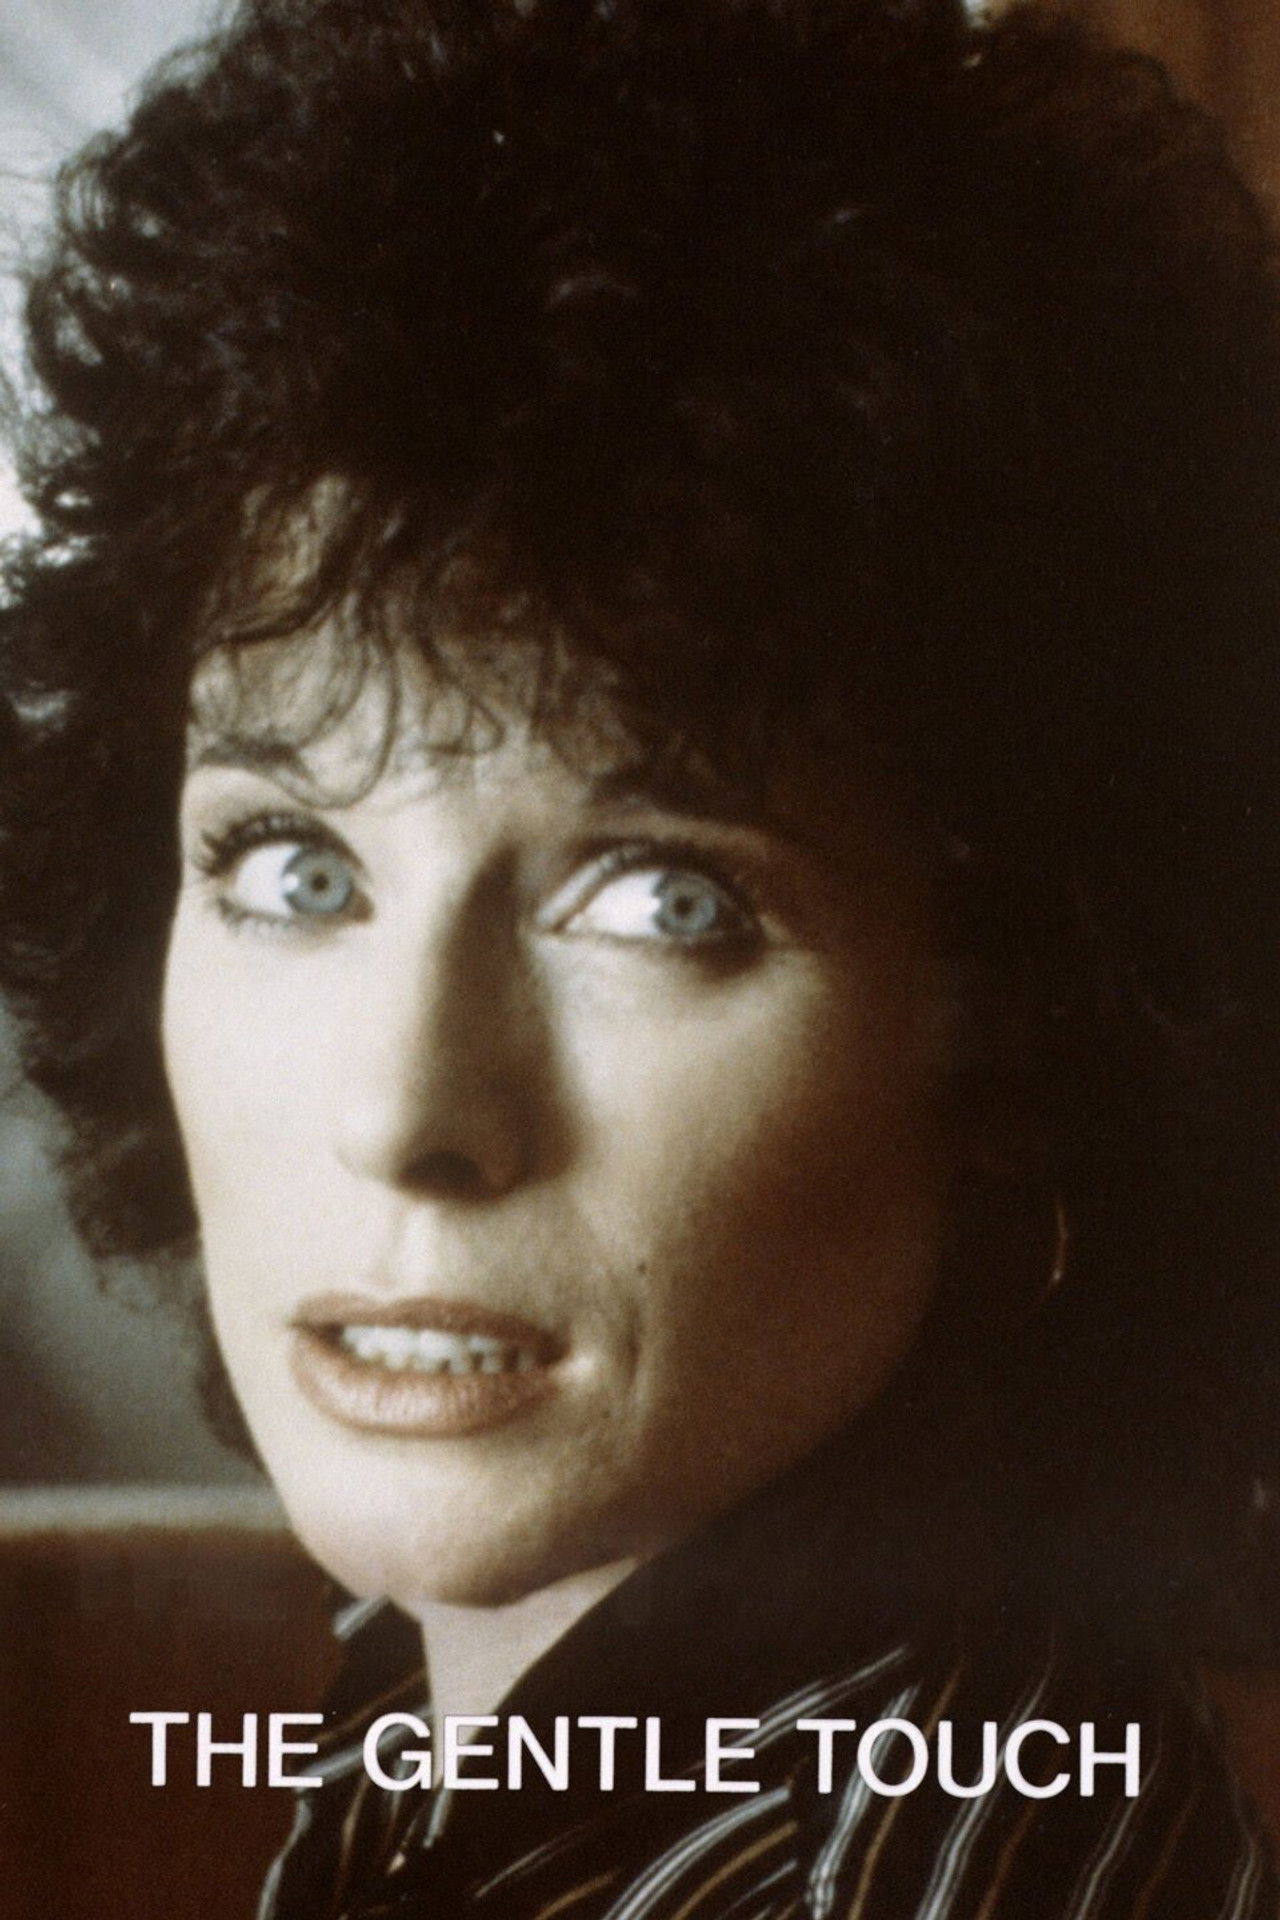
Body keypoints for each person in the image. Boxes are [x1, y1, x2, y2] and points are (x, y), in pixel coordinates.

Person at [2, 0, 1278, 1912]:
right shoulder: (476, 1709)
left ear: (1028, 1023)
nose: (406, 1111)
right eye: (293, 865)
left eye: (664, 902)